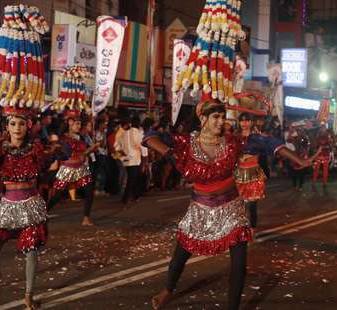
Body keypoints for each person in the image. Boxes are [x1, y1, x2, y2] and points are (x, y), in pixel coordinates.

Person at [145, 99, 313, 310]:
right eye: (215, 117)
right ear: (203, 118)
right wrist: (169, 152)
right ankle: (167, 290)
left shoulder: (234, 142)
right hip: (199, 209)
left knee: (239, 264)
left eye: (223, 117)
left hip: (231, 208)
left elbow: (269, 144)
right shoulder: (186, 142)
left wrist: (298, 160)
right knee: (180, 256)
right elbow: (150, 137)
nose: (220, 122)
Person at [0, 106, 59, 309]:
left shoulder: (35, 148)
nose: (17, 127)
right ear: (7, 127)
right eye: (13, 123)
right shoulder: (1, 150)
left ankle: (28, 296)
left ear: (27, 126)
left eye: (22, 123)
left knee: (31, 252)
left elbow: (49, 163)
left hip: (31, 205)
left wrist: (58, 152)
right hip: (8, 206)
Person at [46, 110, 99, 226]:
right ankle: (43, 213)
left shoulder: (80, 137)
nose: (79, 126)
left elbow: (82, 155)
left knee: (89, 191)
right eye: (77, 124)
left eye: (80, 124)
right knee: (57, 195)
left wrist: (90, 150)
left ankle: (86, 218)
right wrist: (90, 150)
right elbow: (70, 154)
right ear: (70, 123)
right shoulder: (63, 139)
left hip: (80, 168)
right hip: (67, 169)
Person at [114, 114, 148, 204]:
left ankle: (131, 196)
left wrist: (122, 155)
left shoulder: (125, 133)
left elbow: (117, 146)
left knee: (131, 178)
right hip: (135, 160)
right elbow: (142, 146)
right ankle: (130, 197)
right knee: (134, 179)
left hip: (126, 159)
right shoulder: (138, 133)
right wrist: (145, 157)